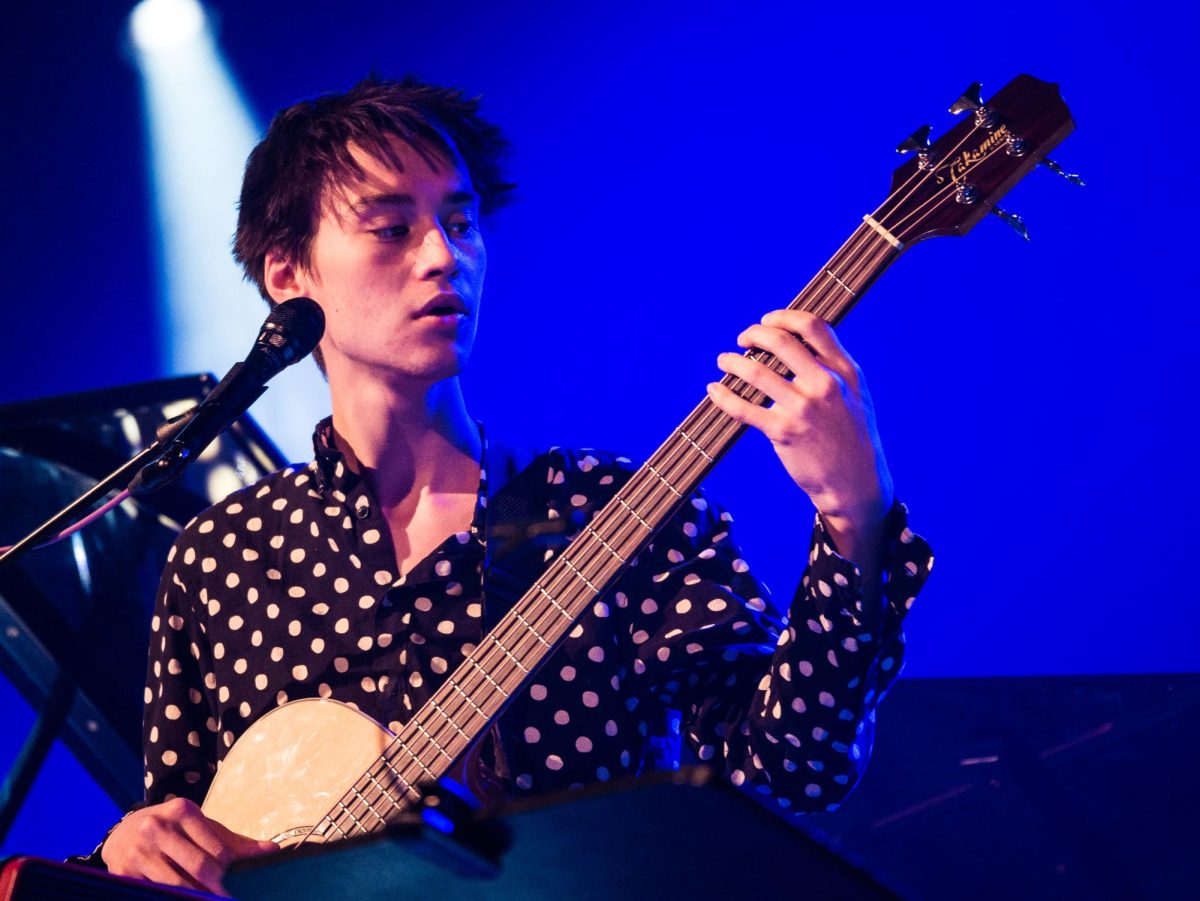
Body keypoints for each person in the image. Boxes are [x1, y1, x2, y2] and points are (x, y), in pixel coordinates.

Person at [90, 76, 932, 894]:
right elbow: (181, 846)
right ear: (287, 275)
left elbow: (792, 772)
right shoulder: (225, 556)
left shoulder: (614, 510)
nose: (442, 256)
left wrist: (855, 515)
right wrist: (134, 842)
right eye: (390, 228)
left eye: (461, 222)